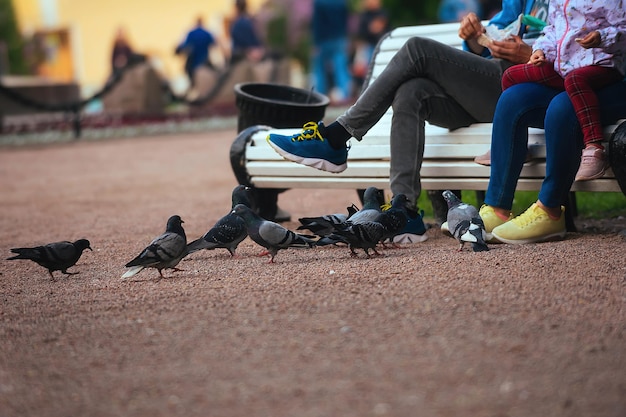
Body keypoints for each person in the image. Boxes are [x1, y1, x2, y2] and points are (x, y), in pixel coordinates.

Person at [267, 0, 548, 233]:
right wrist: (476, 38)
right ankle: (405, 211)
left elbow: (573, 45)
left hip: (526, 88)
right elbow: (496, 36)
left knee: (417, 49)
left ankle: (337, 138)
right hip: (487, 89)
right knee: (411, 91)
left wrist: (529, 53)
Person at [481, 79, 626, 244]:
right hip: (573, 77)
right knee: (512, 99)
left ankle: (549, 210)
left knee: (563, 105)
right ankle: (497, 209)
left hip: (615, 81)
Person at [500, 0, 626, 181]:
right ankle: (516, 143)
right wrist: (541, 50)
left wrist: (602, 37)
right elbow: (553, 29)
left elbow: (623, 29)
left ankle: (594, 148)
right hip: (565, 65)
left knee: (576, 81)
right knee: (511, 75)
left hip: (603, 63)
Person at [310, 0, 352, 102]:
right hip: (339, 38)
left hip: (323, 40)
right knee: (341, 69)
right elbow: (345, 21)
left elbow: (317, 23)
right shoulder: (342, 2)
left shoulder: (319, 2)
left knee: (320, 70)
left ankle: (318, 98)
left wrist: (315, 42)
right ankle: (345, 95)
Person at [353, 0, 391, 88]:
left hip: (382, 46)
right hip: (369, 46)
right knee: (368, 70)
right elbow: (362, 33)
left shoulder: (383, 13)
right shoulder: (365, 15)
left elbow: (380, 27)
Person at [175, 16, 217, 86]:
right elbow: (214, 45)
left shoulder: (191, 33)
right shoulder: (207, 33)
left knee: (194, 84)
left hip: (193, 64)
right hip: (204, 62)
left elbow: (184, 46)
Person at [229, 0, 265, 64]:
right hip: (256, 54)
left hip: (242, 57)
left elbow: (240, 41)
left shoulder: (237, 23)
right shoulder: (252, 21)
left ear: (236, 8)